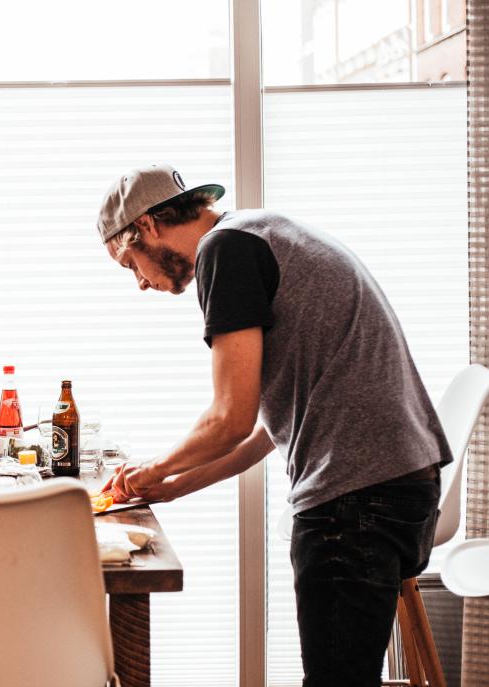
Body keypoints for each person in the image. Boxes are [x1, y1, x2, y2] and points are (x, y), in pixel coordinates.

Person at [96, 163, 451, 687]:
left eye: (131, 265)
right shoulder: (262, 230)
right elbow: (267, 429)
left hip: (354, 499)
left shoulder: (226, 250)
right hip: (401, 487)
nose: (142, 284)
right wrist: (171, 486)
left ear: (147, 226)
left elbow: (229, 419)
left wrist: (154, 466)